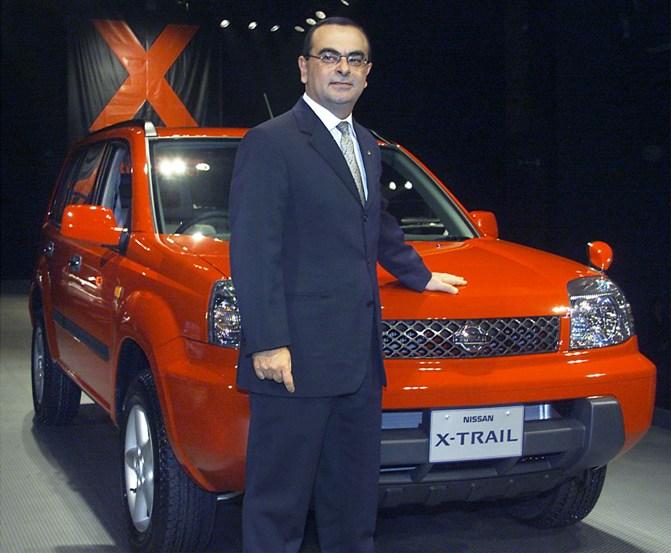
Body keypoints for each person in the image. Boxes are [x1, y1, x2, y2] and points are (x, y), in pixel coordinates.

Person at [229, 17, 467, 553]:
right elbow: (252, 248)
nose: (342, 68)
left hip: (359, 362)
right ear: (304, 68)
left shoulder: (365, 143)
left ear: (367, 74)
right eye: (329, 56)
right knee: (278, 508)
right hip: (293, 361)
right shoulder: (270, 143)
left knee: (353, 506)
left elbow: (374, 221)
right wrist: (267, 340)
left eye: (354, 59)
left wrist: (419, 274)